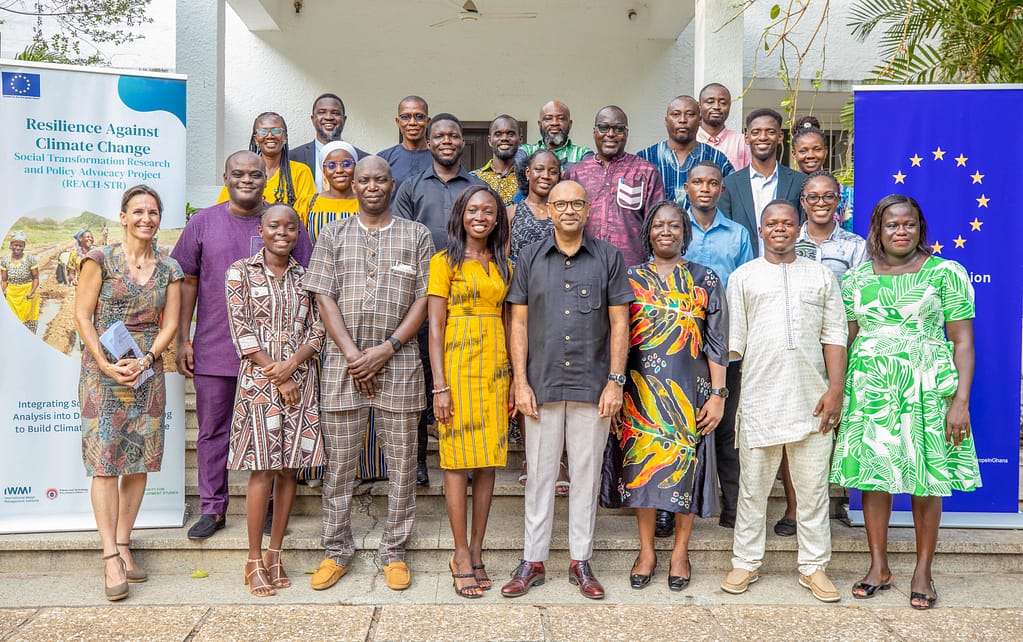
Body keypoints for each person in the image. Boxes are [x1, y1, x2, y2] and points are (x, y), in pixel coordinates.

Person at [831, 194, 980, 609]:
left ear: (920, 228)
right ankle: (878, 565)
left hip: (928, 390)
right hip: (872, 391)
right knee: (875, 479)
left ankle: (922, 570)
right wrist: (839, 391)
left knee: (926, 479)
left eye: (909, 224)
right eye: (892, 225)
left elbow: (963, 341)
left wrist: (961, 401)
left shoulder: (945, 274)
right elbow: (847, 338)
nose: (901, 231)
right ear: (877, 230)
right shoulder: (856, 279)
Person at [304, 156, 434, 593]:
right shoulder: (333, 234)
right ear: (353, 186)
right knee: (339, 468)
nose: (373, 186)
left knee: (401, 467)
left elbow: (424, 300)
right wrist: (354, 354)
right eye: (365, 180)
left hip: (399, 364)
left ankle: (393, 552)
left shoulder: (416, 235)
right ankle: (336, 550)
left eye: (380, 179)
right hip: (343, 367)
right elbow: (323, 296)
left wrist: (386, 349)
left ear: (392, 185)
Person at [501, 180, 633, 600]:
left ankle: (581, 560)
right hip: (540, 384)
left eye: (577, 202)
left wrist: (615, 381)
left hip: (593, 386)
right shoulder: (530, 257)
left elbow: (619, 324)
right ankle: (533, 560)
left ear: (588, 208)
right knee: (539, 475)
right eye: (561, 203)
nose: (569, 210)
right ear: (549, 210)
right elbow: (517, 322)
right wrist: (519, 382)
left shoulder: (609, 257)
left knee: (586, 476)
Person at [173, 151, 314, 541]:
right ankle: (213, 508)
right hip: (216, 348)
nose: (247, 180)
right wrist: (184, 337)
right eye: (238, 174)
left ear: (265, 178)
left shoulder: (282, 221)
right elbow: (185, 281)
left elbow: (310, 284)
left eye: (255, 174)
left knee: (274, 429)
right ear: (226, 177)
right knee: (212, 430)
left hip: (274, 357)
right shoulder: (203, 222)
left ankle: (270, 507)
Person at [721, 200, 847, 604]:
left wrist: (835, 391)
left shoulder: (822, 276)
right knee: (753, 489)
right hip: (760, 398)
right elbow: (732, 345)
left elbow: (835, 337)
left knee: (812, 491)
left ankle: (814, 567)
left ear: (799, 228)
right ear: (760, 231)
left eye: (787, 223)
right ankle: (746, 560)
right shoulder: (743, 278)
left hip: (812, 400)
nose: (780, 228)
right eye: (772, 223)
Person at [73, 185, 183, 601]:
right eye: (137, 211)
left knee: (138, 461)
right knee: (105, 463)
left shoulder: (170, 268)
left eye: (153, 212)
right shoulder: (99, 259)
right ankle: (109, 558)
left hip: (145, 373)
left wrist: (148, 359)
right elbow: (82, 315)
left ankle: (124, 543)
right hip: (103, 373)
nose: (146, 219)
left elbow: (170, 323)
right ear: (123, 216)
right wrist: (104, 362)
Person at [612, 200, 729, 592]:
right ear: (647, 232)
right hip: (640, 391)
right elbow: (615, 339)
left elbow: (717, 343)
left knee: (685, 470)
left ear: (685, 232)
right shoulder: (628, 278)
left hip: (689, 393)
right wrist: (612, 388)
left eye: (674, 225)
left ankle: (680, 551)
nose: (666, 231)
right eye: (659, 225)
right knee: (643, 470)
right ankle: (646, 551)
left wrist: (718, 394)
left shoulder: (705, 279)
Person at [225, 204, 325, 597]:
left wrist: (293, 367)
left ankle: (275, 553)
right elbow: (242, 331)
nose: (283, 232)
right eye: (274, 226)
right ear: (261, 230)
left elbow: (318, 331)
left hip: (301, 381)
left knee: (289, 470)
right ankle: (252, 559)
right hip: (259, 383)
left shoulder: (307, 277)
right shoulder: (240, 272)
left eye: (290, 227)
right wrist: (278, 374)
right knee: (263, 469)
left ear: (298, 232)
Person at [428, 185, 513, 598]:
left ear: (498, 218)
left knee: (489, 463)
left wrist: (515, 378)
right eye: (473, 209)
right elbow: (434, 327)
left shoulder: (504, 265)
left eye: (489, 211)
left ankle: (477, 550)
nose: (481, 216)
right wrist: (439, 385)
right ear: (462, 214)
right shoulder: (444, 263)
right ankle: (459, 552)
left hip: (495, 368)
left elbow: (513, 322)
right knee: (457, 461)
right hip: (457, 369)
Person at [773, 170, 868, 538]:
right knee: (793, 428)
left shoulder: (854, 246)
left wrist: (843, 349)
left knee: (829, 424)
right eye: (813, 197)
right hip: (791, 348)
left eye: (829, 196)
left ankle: (824, 502)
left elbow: (858, 303)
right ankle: (794, 507)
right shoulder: (785, 239)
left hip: (839, 346)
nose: (821, 203)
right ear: (803, 202)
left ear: (839, 201)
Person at [395, 113, 486, 487]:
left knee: (462, 384)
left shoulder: (477, 186)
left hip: (470, 300)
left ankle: (464, 459)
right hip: (423, 296)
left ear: (462, 142)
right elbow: (399, 242)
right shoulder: (411, 187)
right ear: (429, 143)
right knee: (421, 380)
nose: (447, 140)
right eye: (440, 136)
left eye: (454, 135)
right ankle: (418, 461)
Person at [681, 161, 755, 534]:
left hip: (726, 343)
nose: (705, 188)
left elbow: (745, 287)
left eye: (712, 183)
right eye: (698, 183)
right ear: (687, 188)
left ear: (722, 190)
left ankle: (731, 505)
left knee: (726, 427)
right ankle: (670, 507)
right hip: (679, 340)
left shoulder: (738, 234)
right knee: (678, 424)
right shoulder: (676, 228)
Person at [508, 148, 569, 492]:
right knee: (526, 374)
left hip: (560, 303)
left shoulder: (565, 212)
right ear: (527, 173)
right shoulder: (512, 212)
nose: (546, 176)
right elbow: (503, 261)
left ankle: (558, 460)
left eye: (553, 170)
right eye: (539, 170)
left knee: (557, 375)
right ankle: (531, 456)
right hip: (522, 304)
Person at [565, 105, 665, 267]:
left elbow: (657, 223)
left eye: (618, 129)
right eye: (604, 128)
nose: (610, 134)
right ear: (594, 132)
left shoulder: (646, 172)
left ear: (626, 134)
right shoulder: (576, 173)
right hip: (583, 266)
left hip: (632, 268)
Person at [719, 108, 804, 257]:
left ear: (780, 137)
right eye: (756, 132)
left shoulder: (799, 182)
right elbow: (726, 235)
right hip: (744, 270)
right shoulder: (729, 185)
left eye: (770, 132)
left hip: (788, 268)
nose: (763, 137)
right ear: (746, 137)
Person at [637, 96, 734, 207]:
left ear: (700, 120)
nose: (682, 120)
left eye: (690, 114)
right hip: (656, 224)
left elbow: (732, 201)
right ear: (666, 121)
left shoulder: (717, 159)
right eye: (676, 115)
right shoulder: (644, 159)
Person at [217, 112, 317, 214]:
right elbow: (222, 210)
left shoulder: (300, 172)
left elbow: (306, 213)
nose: (270, 136)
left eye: (276, 130)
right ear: (255, 139)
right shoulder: (241, 172)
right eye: (262, 131)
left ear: (285, 137)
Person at [290, 93, 369, 190]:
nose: (328, 117)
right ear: (313, 119)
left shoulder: (363, 160)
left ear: (344, 119)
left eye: (335, 113)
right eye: (322, 112)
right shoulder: (293, 157)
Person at [791, 116, 854, 231]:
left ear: (826, 151)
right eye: (803, 151)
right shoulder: (786, 190)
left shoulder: (845, 194)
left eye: (817, 149)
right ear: (794, 154)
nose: (810, 155)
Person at [300, 140, 361, 244]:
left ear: (355, 168)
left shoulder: (365, 203)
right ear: (323, 170)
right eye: (331, 165)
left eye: (346, 164)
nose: (339, 170)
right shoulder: (309, 203)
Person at [378, 95, 433, 191]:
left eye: (419, 117)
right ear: (398, 122)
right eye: (405, 117)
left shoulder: (439, 158)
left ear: (427, 121)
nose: (412, 122)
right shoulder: (383, 159)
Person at [520, 100, 592, 169]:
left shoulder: (583, 154)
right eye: (548, 119)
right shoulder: (526, 151)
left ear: (570, 124)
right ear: (540, 124)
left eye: (561, 118)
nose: (554, 123)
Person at [696, 83, 751, 170]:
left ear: (729, 106)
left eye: (723, 103)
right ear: (699, 106)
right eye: (710, 102)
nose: (716, 107)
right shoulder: (690, 141)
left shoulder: (742, 142)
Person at [472, 115, 522, 206]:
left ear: (520, 139)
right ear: (490, 141)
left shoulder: (529, 179)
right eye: (498, 134)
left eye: (510, 134)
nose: (504, 138)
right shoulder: (473, 178)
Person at [1, 231, 40, 333]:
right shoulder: (5, 260)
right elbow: (4, 280)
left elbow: (36, 278)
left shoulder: (30, 259)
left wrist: (32, 292)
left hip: (27, 294)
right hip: (12, 295)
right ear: (10, 245)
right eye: (15, 245)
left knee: (28, 323)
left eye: (20, 246)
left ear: (24, 246)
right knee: (11, 323)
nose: (17, 248)